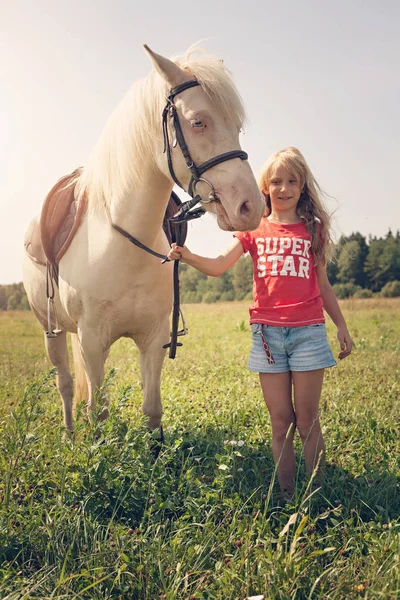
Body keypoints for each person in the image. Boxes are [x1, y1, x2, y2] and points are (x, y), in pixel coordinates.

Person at [168, 147, 352, 497]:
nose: (283, 188)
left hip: (308, 333)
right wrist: (187, 255)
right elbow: (220, 265)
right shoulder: (255, 228)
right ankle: (286, 495)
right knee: (281, 420)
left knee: (307, 420)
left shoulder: (312, 229)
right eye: (276, 181)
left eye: (291, 181)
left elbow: (323, 285)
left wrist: (341, 325)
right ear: (264, 187)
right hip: (267, 336)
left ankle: (316, 493)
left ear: (302, 186)